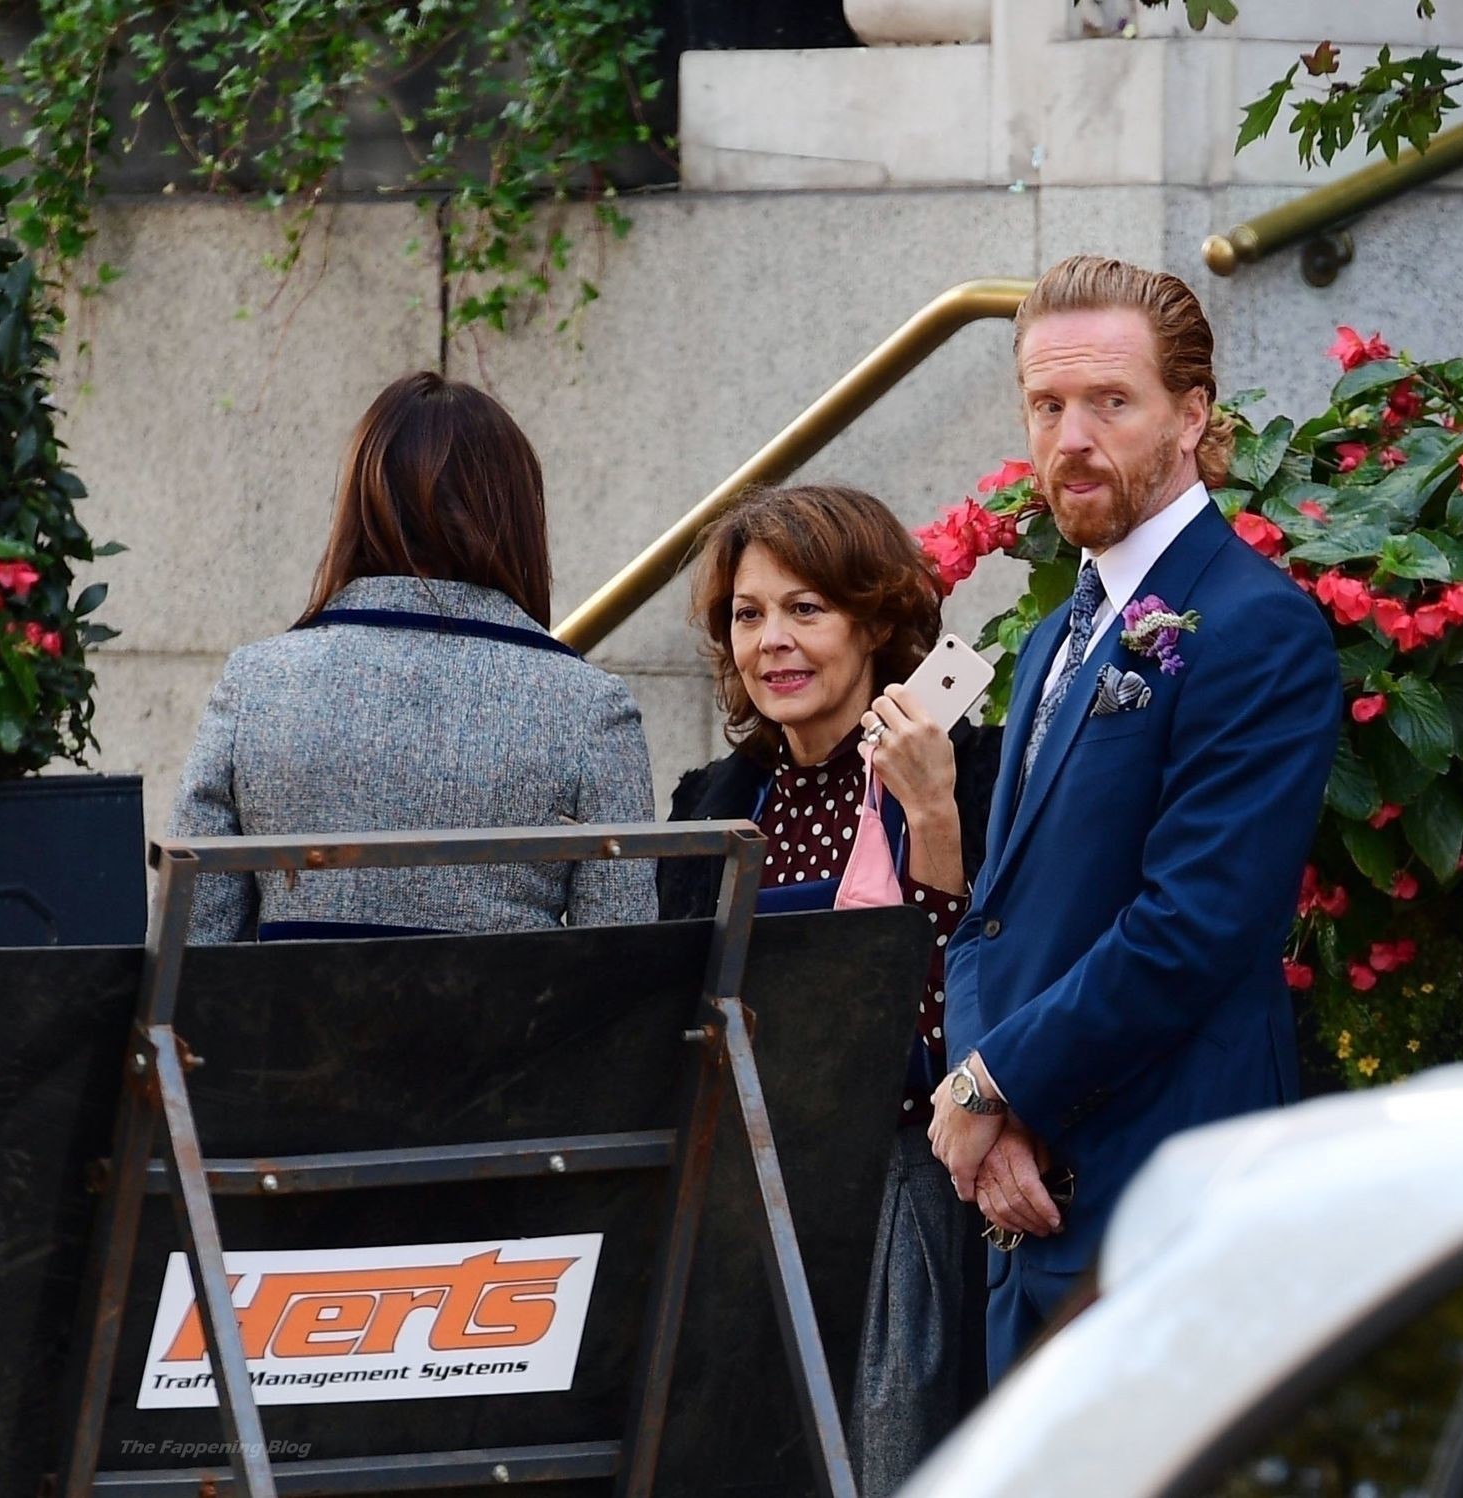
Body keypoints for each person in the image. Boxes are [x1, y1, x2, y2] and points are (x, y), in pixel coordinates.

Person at [929, 256, 1342, 1381]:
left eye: (1111, 401)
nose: (1070, 438)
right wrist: (986, 1108)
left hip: (1171, 1195)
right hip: (1029, 1204)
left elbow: (1195, 923)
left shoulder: (1257, 626)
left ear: (1192, 414)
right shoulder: (1054, 634)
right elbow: (995, 914)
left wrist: (993, 1086)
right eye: (1046, 405)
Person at [657, 483, 1000, 1496]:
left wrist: (930, 813)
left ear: (875, 621)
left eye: (805, 608)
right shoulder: (714, 801)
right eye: (748, 614)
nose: (772, 640)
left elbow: (970, 991)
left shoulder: (973, 772)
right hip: (742, 1202)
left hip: (900, 1189)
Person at [169, 370, 657, 943]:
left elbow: (190, 945)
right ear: (517, 513)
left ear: (358, 504)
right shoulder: (590, 708)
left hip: (293, 1004)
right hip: (503, 1004)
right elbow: (620, 960)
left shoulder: (256, 686)